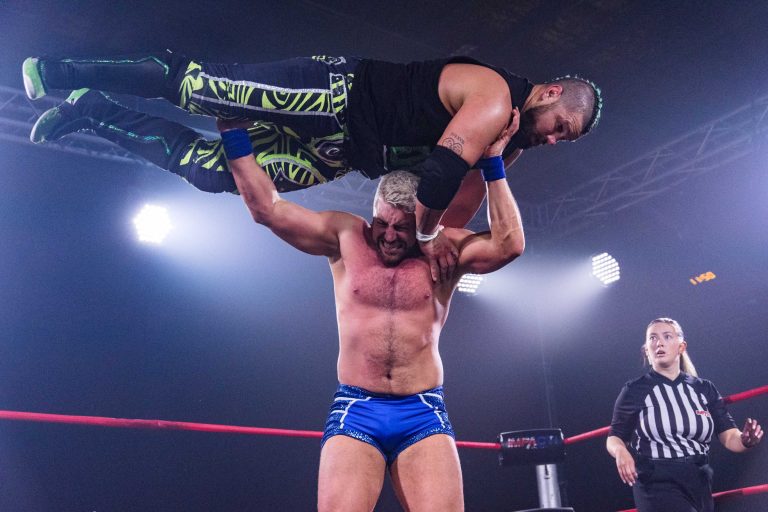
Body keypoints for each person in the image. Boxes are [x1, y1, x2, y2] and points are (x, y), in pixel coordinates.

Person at [23, 51, 601, 278]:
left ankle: (92, 111)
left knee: (214, 170)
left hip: (340, 153)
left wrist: (491, 171)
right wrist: (427, 236)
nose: (555, 140)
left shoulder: (506, 144)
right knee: (203, 90)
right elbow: (439, 182)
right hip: (336, 96)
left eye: (564, 141)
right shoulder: (495, 97)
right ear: (550, 93)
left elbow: (452, 217)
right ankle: (63, 73)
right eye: (561, 127)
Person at [216, 109, 524, 510]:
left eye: (402, 227)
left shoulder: (442, 249)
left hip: (422, 411)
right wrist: (233, 133)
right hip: (357, 409)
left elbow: (509, 245)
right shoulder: (346, 237)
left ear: (422, 222)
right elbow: (268, 210)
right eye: (383, 223)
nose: (390, 236)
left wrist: (493, 163)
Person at [606, 318, 763, 512]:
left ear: (681, 347)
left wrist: (746, 440)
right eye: (652, 338)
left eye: (667, 336)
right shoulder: (634, 390)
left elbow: (729, 435)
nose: (659, 343)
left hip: (699, 480)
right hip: (656, 479)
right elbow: (614, 437)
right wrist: (621, 452)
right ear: (646, 349)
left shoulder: (704, 388)